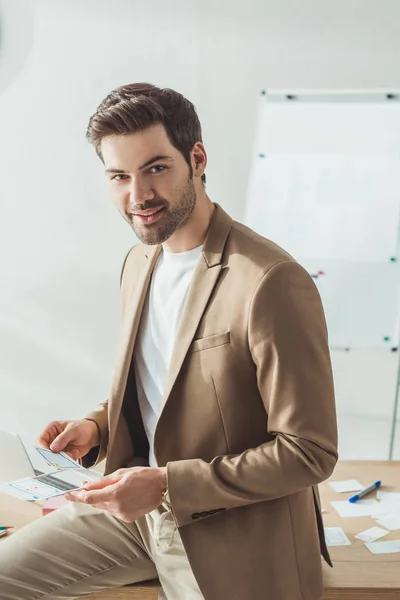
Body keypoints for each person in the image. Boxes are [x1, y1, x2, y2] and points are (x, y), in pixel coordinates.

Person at [0, 83, 338, 600]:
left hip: (232, 528)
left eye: (156, 168)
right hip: (137, 514)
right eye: (119, 176)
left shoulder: (270, 281)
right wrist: (98, 424)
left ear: (196, 159)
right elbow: (169, 385)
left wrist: (165, 484)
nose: (138, 196)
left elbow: (309, 452)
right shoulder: (139, 262)